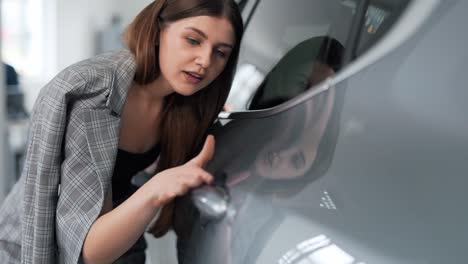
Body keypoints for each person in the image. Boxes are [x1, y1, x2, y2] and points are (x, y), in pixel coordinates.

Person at [0, 0, 244, 263]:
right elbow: (88, 251)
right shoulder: (93, 96)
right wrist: (157, 188)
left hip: (121, 236)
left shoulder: (188, 105)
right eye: (193, 40)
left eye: (220, 52)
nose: (204, 61)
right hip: (47, 246)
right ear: (159, 30)